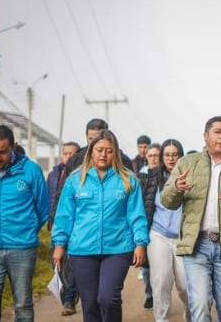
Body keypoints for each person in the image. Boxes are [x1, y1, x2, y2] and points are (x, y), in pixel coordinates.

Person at [161, 116, 221, 322]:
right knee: (200, 305)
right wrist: (176, 190)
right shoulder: (187, 163)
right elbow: (167, 201)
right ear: (205, 136)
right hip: (196, 245)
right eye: (218, 132)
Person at [52, 129, 149, 322]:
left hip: (118, 248)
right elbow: (64, 216)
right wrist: (59, 245)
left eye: (109, 150)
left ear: (116, 153)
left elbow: (137, 215)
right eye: (99, 150)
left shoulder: (128, 180)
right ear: (91, 152)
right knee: (90, 305)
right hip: (82, 250)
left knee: (108, 298)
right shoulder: (75, 180)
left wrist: (140, 243)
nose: (103, 154)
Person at [0, 125, 50, 322]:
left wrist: (26, 230)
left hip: (22, 249)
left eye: (3, 152)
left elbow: (42, 209)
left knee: (22, 306)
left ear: (13, 147)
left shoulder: (31, 171)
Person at [139, 139, 192, 322]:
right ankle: (162, 319)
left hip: (183, 238)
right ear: (162, 157)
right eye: (167, 154)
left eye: (175, 154)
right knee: (161, 282)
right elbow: (144, 205)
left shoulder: (190, 175)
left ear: (181, 155)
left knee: (186, 286)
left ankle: (190, 313)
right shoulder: (152, 177)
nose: (171, 158)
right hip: (158, 235)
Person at [46, 141, 81, 316]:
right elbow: (49, 200)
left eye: (72, 154)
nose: (68, 157)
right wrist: (50, 222)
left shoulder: (79, 176)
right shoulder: (53, 174)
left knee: (73, 262)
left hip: (75, 227)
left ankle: (69, 299)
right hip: (56, 225)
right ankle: (69, 291)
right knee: (58, 263)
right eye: (65, 153)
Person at [137, 142, 160, 310]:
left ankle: (160, 296)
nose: (153, 159)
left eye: (156, 156)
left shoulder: (166, 176)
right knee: (145, 268)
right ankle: (149, 295)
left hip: (160, 227)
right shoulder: (140, 176)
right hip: (145, 226)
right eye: (150, 156)